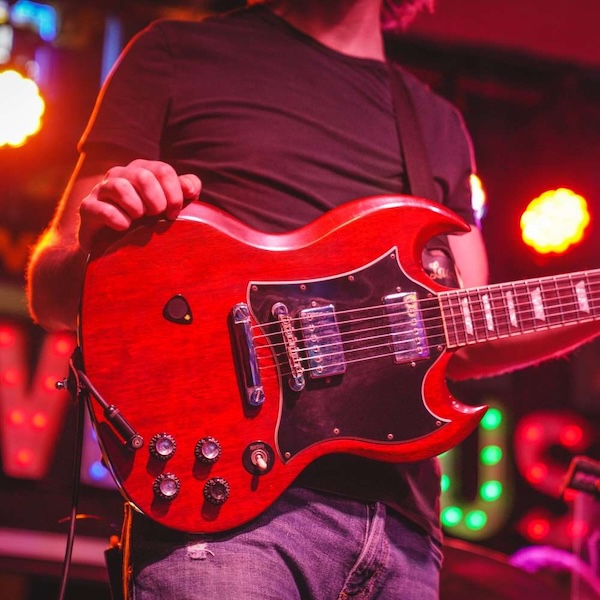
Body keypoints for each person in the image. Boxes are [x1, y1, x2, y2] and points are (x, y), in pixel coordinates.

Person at [26, 1, 600, 598]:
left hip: (401, 535)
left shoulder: (436, 124)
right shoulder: (174, 54)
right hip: (229, 512)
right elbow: (50, 291)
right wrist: (99, 243)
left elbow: (468, 330)